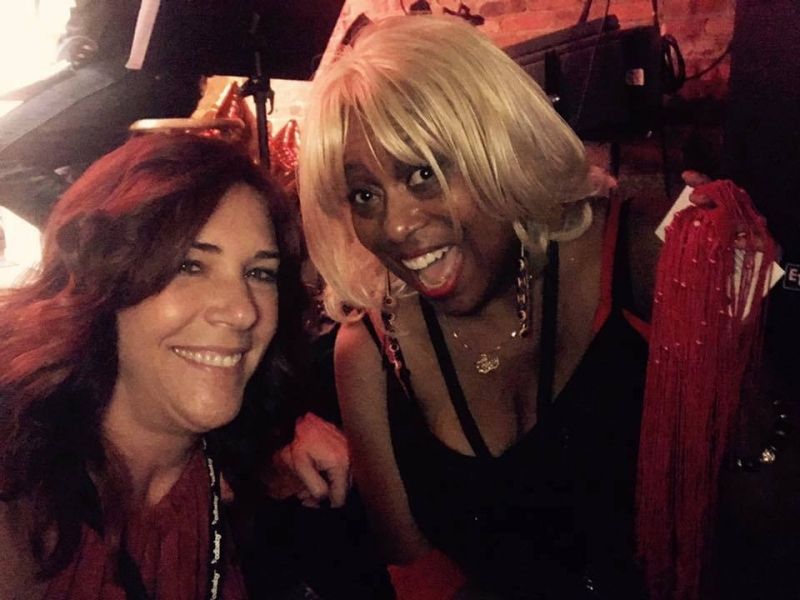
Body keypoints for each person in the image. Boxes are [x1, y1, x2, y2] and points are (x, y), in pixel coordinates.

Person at [298, 15, 653, 599]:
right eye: (364, 195)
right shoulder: (368, 354)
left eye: (424, 172)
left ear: (502, 147)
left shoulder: (646, 260)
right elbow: (418, 575)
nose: (396, 225)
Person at [0, 132, 314, 598]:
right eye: (190, 266)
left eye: (259, 273)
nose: (242, 311)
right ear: (103, 279)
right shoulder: (20, 497)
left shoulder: (228, 471)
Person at [0, 0, 253, 228]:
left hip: (142, 72)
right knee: (83, 180)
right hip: (103, 66)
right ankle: (103, 243)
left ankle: (111, 238)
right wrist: (72, 43)